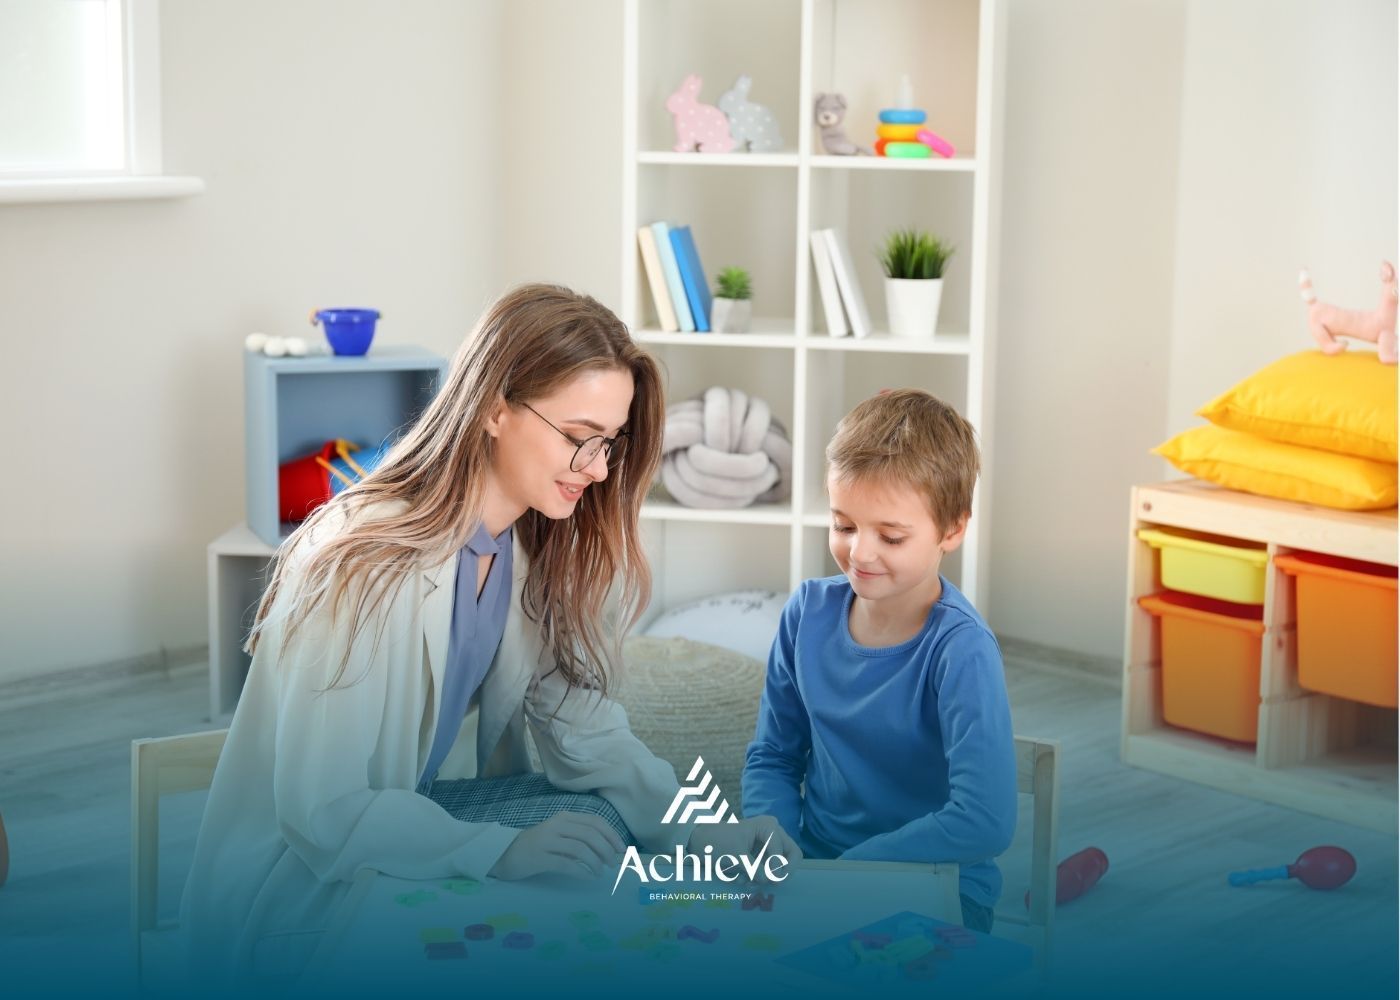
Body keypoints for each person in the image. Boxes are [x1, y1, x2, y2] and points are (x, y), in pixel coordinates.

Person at [181, 284, 797, 984]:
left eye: (609, 444)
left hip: (404, 825)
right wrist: (496, 853)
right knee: (569, 882)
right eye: (577, 438)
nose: (598, 469)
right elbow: (324, 810)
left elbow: (590, 737)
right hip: (299, 883)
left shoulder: (528, 548)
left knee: (600, 834)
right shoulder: (356, 558)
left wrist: (709, 833)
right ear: (495, 407)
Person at [741, 389, 1017, 932]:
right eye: (844, 526)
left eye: (890, 536)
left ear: (953, 530)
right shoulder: (806, 613)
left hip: (937, 887)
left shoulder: (961, 650)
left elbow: (984, 821)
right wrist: (774, 840)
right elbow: (773, 756)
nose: (860, 553)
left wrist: (852, 874)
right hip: (816, 874)